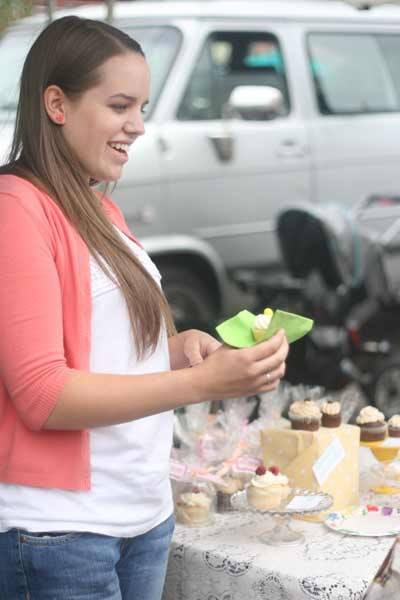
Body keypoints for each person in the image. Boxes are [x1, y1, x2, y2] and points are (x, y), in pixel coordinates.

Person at [0, 15, 288, 600]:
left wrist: (184, 350)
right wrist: (203, 383)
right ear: (56, 103)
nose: (137, 126)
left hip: (143, 515)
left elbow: (114, 349)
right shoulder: (15, 209)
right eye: (120, 106)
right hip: (61, 532)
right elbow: (42, 395)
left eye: (142, 107)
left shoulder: (100, 210)